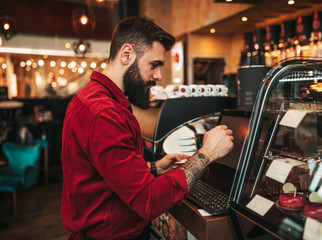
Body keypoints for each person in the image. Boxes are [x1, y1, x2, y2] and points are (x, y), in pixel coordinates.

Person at [61, 16, 234, 240]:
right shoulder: (104, 113)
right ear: (126, 54)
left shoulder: (92, 98)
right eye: (154, 65)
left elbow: (105, 175)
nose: (159, 76)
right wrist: (207, 153)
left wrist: (153, 168)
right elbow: (148, 200)